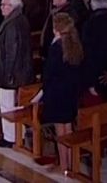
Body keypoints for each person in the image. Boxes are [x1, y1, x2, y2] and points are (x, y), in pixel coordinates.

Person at [38, 12, 86, 173]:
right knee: (68, 128)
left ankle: (63, 165)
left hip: (57, 93)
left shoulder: (56, 47)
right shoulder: (75, 44)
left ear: (55, 28)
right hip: (71, 92)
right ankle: (72, 164)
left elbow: (49, 73)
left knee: (60, 131)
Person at [0, 0, 35, 148]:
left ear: (13, 6)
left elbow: (11, 52)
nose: (1, 7)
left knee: (8, 106)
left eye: (5, 5)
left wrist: (7, 74)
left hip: (11, 73)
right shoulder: (20, 19)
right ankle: (19, 134)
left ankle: (10, 137)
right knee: (18, 105)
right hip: (21, 71)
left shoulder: (11, 25)